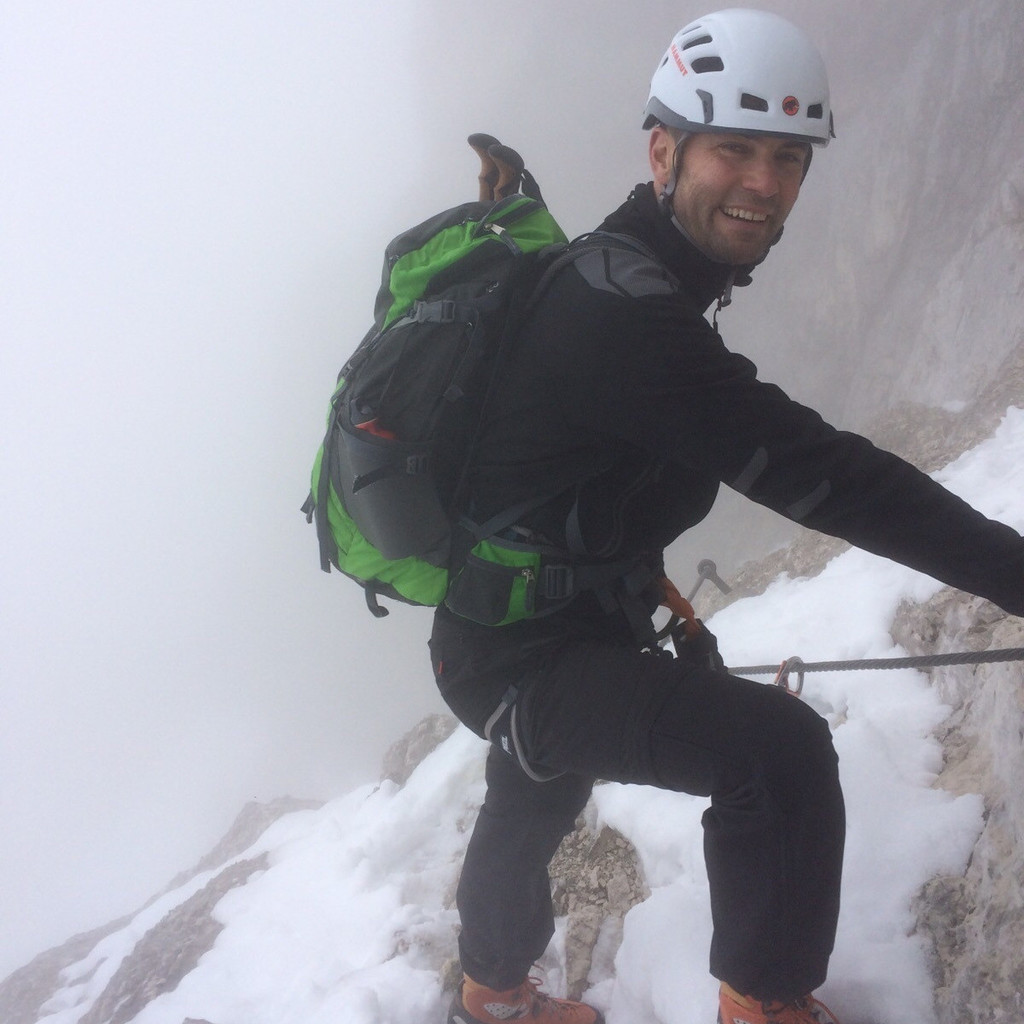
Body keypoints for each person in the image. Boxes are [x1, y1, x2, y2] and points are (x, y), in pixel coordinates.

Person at [433, 10, 1024, 1024]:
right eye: (734, 149)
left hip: (517, 625)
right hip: (526, 652)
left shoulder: (627, 272)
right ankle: (762, 1004)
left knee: (536, 783)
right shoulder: (622, 315)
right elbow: (827, 476)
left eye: (788, 158)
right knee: (776, 755)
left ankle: (490, 994)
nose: (763, 182)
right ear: (662, 149)